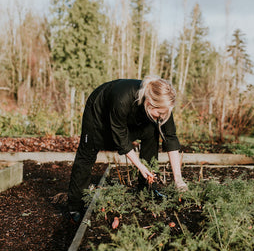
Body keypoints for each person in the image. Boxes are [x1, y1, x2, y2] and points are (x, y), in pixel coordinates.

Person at [67, 76, 188, 222]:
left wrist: (178, 180)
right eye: (161, 114)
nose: (163, 117)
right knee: (87, 153)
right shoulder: (122, 98)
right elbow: (121, 138)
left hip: (130, 116)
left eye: (166, 113)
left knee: (152, 131)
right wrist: (140, 166)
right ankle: (75, 205)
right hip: (98, 114)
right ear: (150, 104)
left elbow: (171, 138)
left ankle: (147, 190)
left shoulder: (162, 105)